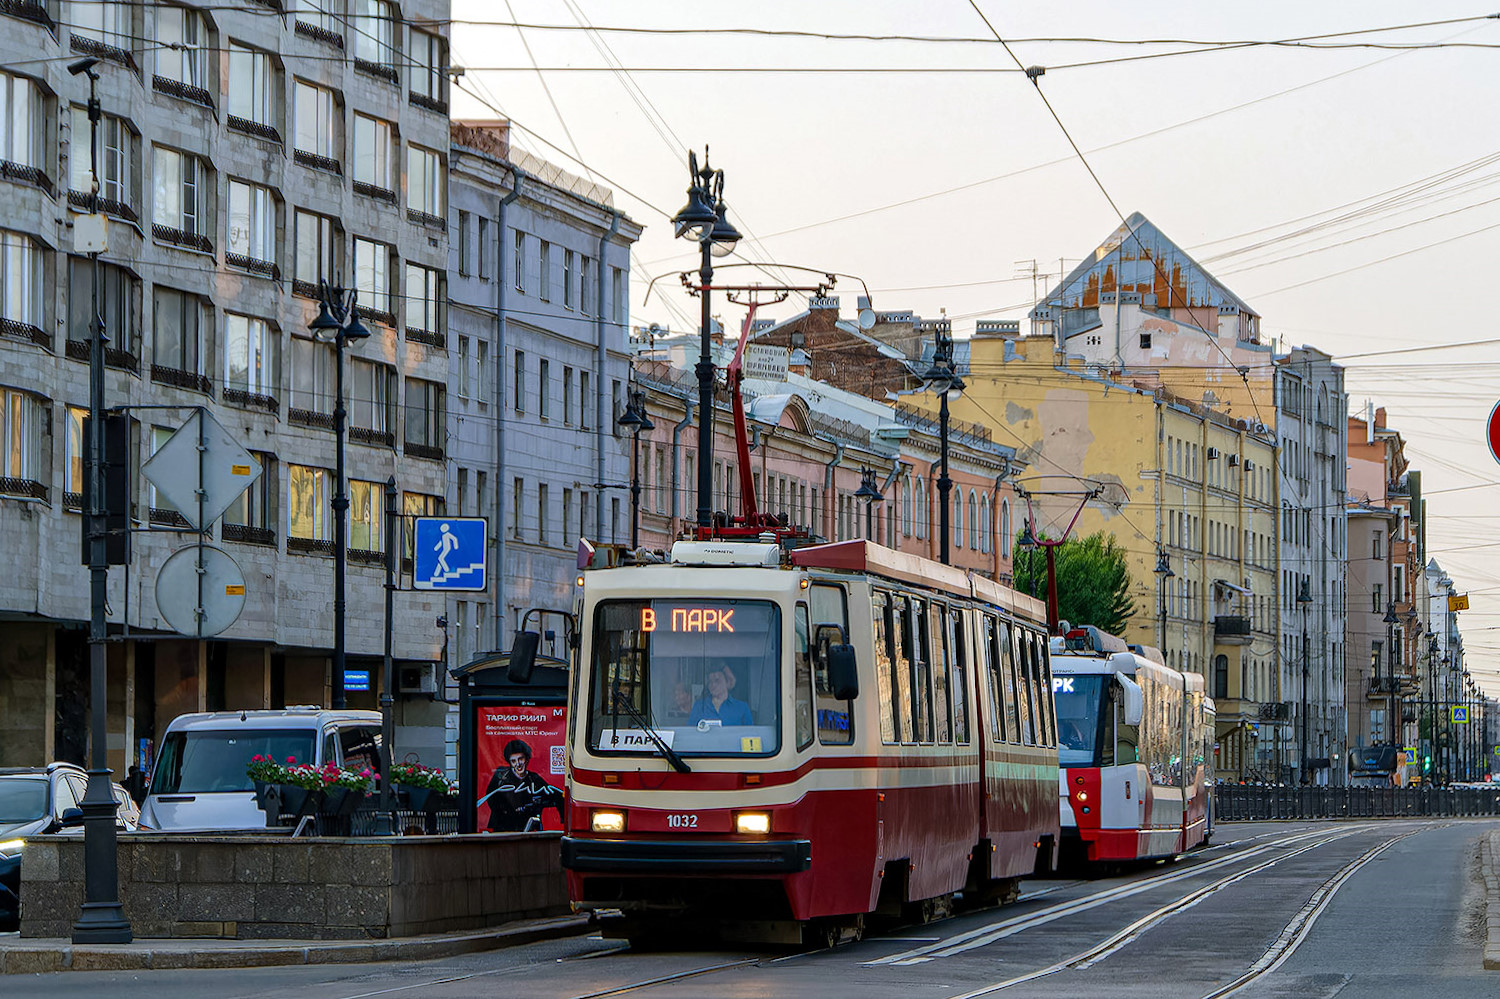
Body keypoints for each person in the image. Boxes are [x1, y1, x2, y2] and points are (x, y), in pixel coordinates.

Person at [479, 739, 565, 832]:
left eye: (520, 759)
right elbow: (492, 800)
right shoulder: (500, 777)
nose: (518, 764)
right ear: (509, 762)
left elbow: (556, 796)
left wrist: (564, 819)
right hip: (503, 829)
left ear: (527, 759)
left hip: (526, 830)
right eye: (513, 761)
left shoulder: (534, 778)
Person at [689, 668, 753, 726]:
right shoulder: (699, 706)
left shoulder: (742, 707)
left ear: (727, 682)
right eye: (710, 681)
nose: (713, 684)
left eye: (717, 680)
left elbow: (750, 732)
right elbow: (690, 731)